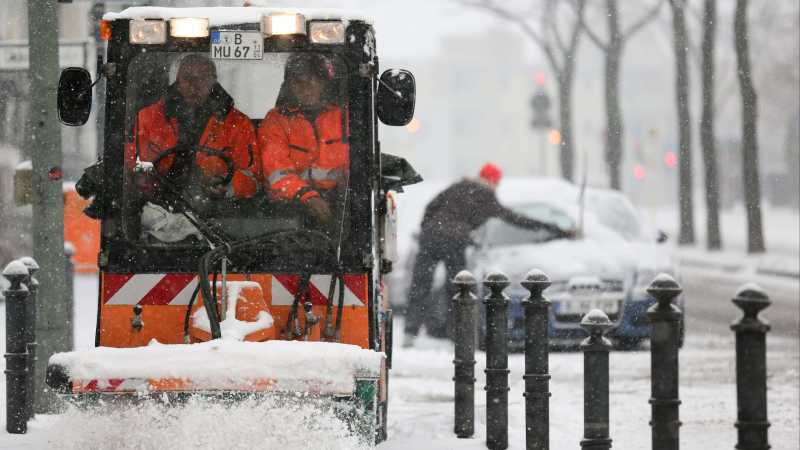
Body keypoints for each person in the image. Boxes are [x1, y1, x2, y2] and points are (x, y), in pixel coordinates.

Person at [403, 163, 574, 345]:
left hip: (430, 237)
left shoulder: (458, 187)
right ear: (494, 181)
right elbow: (516, 219)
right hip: (455, 241)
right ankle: (457, 334)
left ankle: (410, 333)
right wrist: (554, 229)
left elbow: (431, 206)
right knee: (458, 288)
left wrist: (426, 228)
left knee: (420, 284)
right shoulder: (487, 198)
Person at [130, 54, 261, 204]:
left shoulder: (238, 124)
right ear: (178, 81)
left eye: (202, 78)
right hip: (154, 211)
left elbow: (252, 176)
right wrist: (146, 183)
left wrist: (226, 185)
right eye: (188, 78)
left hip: (216, 215)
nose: (194, 86)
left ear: (213, 81)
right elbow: (128, 165)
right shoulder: (147, 118)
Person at [258, 53, 348, 225]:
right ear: (288, 85)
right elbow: (276, 170)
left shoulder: (345, 118)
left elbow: (358, 162)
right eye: (296, 82)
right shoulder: (276, 120)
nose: (304, 88)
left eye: (310, 80)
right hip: (290, 208)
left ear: (323, 83)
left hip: (342, 208)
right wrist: (307, 196)